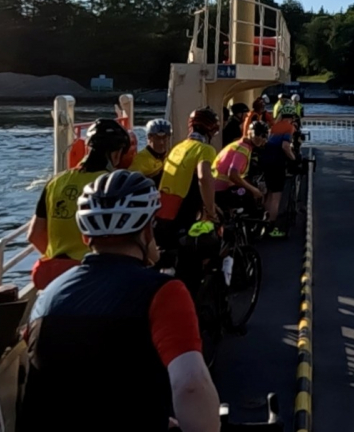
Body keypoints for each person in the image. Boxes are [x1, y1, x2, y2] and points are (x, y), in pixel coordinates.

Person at [17, 170, 221, 432]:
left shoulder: (47, 298)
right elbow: (191, 385)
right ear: (147, 231)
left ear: (85, 237)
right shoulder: (164, 292)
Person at [26, 119, 133, 289]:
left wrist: (60, 263)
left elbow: (34, 234)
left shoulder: (56, 181)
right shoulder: (113, 183)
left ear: (87, 147)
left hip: (51, 274)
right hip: (90, 276)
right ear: (116, 154)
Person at [155, 108, 221, 290]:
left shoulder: (177, 147)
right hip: (183, 213)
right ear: (211, 130)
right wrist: (211, 211)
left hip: (161, 212)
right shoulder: (205, 149)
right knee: (194, 262)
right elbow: (203, 177)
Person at [212, 120, 268, 209]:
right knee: (251, 204)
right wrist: (253, 190)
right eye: (261, 135)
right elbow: (233, 175)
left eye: (264, 136)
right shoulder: (243, 149)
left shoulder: (241, 145)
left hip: (215, 187)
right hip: (219, 190)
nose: (263, 139)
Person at [258, 119, 297, 238]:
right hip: (276, 162)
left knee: (269, 194)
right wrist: (294, 159)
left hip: (266, 159)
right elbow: (285, 146)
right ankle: (272, 227)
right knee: (276, 196)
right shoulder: (289, 127)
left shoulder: (275, 126)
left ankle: (263, 223)